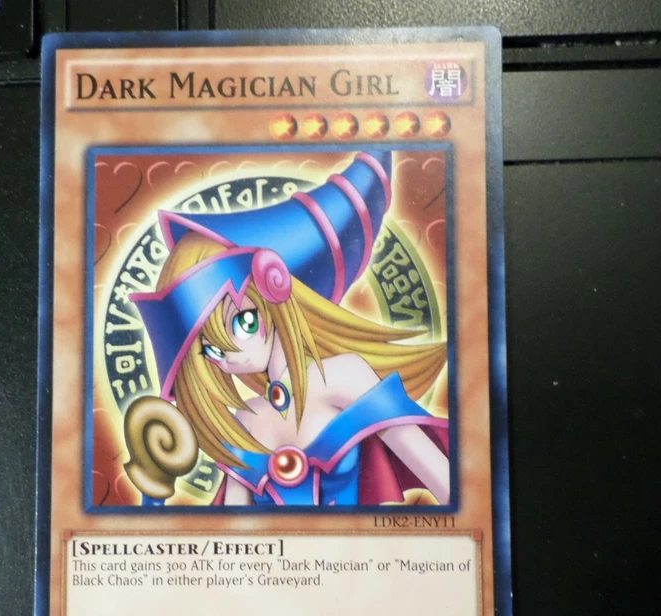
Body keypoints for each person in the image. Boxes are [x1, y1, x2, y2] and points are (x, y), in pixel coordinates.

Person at [127, 150, 450, 507]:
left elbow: (446, 484)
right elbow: (232, 532)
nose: (230, 356)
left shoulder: (343, 376)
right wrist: (153, 492)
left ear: (276, 294)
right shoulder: (246, 419)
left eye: (243, 322)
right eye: (212, 349)